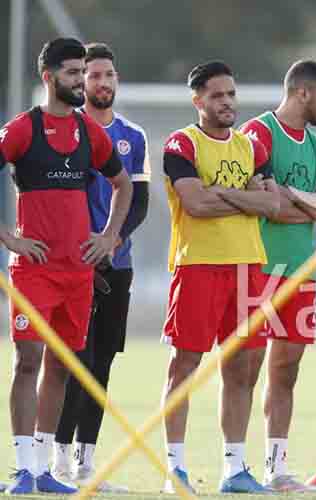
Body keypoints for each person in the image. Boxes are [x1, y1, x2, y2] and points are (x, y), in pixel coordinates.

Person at [0, 38, 133, 495]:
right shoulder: (22, 130)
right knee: (27, 362)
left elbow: (123, 184)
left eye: (83, 72)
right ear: (48, 77)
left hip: (77, 274)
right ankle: (23, 469)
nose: (81, 81)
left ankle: (43, 470)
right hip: (33, 272)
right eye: (73, 73)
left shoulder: (89, 132)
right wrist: (10, 238)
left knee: (61, 364)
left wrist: (109, 236)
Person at [220, 59, 316, 492]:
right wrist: (308, 204)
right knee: (244, 369)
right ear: (303, 93)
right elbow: (267, 205)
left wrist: (295, 199)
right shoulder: (259, 133)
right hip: (257, 267)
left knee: (287, 370)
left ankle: (276, 468)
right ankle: (234, 466)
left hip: (301, 271)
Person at [160, 61, 275, 494]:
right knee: (185, 365)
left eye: (231, 94)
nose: (227, 102)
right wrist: (245, 198)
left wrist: (222, 193)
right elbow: (196, 205)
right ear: (198, 101)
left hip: (248, 265)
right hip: (198, 266)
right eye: (217, 95)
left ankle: (235, 469)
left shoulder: (251, 147)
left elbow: (272, 205)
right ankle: (175, 470)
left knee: (242, 367)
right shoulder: (182, 144)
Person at [50, 42, 149, 493]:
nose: (102, 83)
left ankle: (85, 464)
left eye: (109, 75)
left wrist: (113, 241)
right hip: (72, 266)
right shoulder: (65, 132)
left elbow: (139, 202)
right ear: (79, 81)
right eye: (93, 75)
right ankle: (55, 460)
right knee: (75, 359)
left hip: (116, 265)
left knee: (102, 363)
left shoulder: (134, 136)